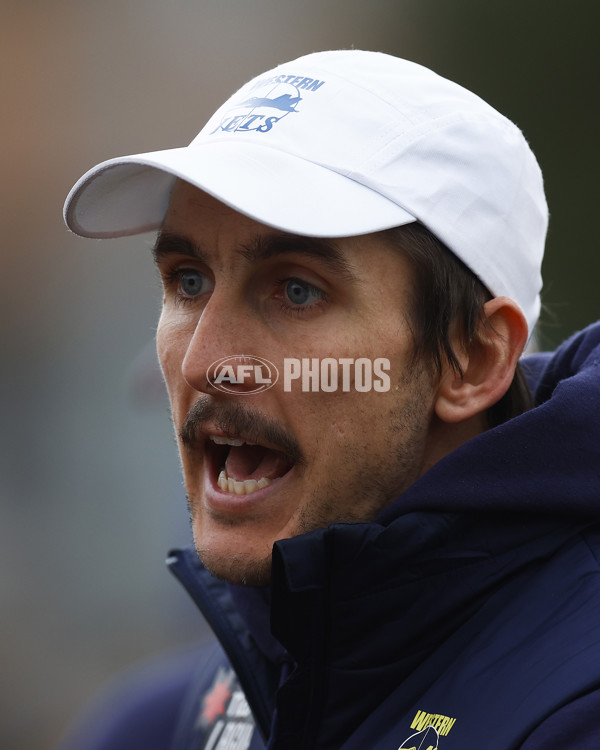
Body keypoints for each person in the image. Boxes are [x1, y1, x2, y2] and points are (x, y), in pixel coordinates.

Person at [61, 50, 600, 750]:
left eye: (296, 290)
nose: (204, 362)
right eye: (188, 281)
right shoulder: (165, 723)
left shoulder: (574, 705)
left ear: (473, 359)